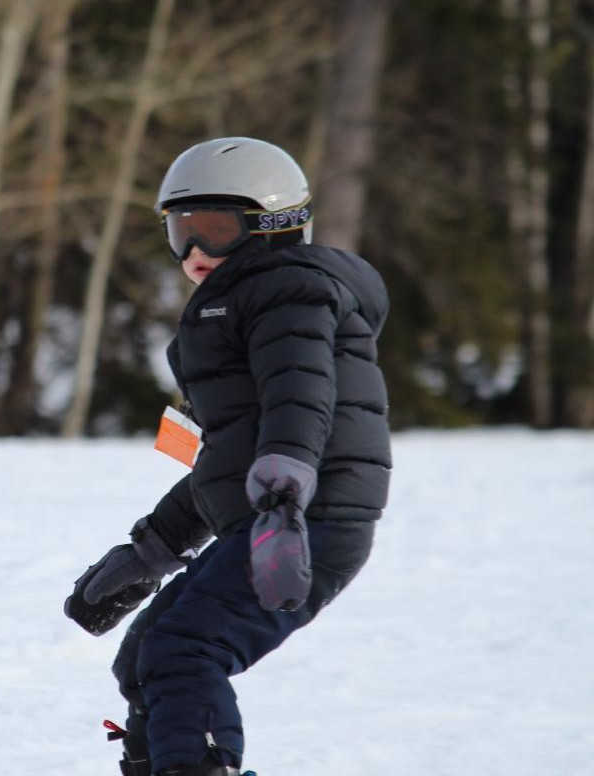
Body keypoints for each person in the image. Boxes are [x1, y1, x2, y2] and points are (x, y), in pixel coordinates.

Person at [64, 137, 392, 776]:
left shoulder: (286, 290)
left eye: (216, 230)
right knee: (145, 657)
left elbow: (300, 398)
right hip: (280, 515)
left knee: (183, 652)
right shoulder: (235, 303)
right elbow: (229, 457)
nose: (194, 252)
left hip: (305, 523)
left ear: (272, 226)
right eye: (181, 231)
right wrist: (148, 551)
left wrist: (282, 494)